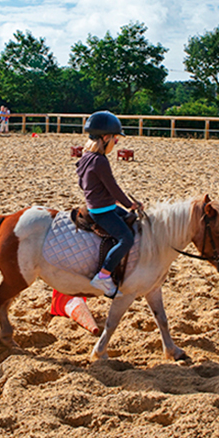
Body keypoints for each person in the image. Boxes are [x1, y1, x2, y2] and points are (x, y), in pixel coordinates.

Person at [76, 111, 142, 298]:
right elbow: (113, 187)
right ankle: (103, 276)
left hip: (103, 205)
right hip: (102, 210)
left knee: (131, 221)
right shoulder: (100, 161)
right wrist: (130, 204)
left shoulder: (86, 156)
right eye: (115, 138)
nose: (117, 143)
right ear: (105, 138)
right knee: (126, 238)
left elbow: (83, 183)